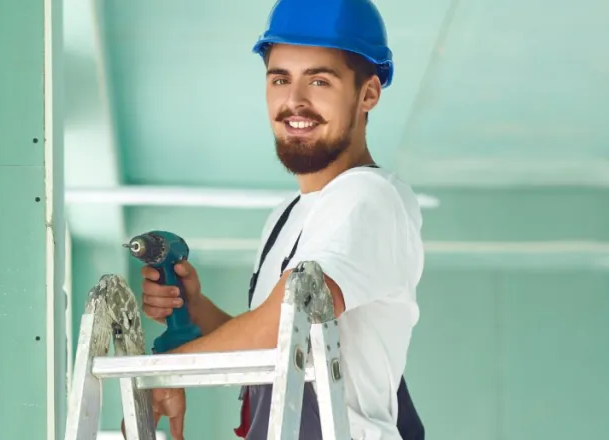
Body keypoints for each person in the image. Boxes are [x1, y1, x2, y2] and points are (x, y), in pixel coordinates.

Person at [136, 0, 427, 439]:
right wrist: (194, 309)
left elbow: (290, 318)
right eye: (280, 79)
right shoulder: (287, 216)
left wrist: (169, 371)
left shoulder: (370, 197)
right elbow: (278, 353)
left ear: (367, 93)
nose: (294, 102)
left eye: (319, 81)